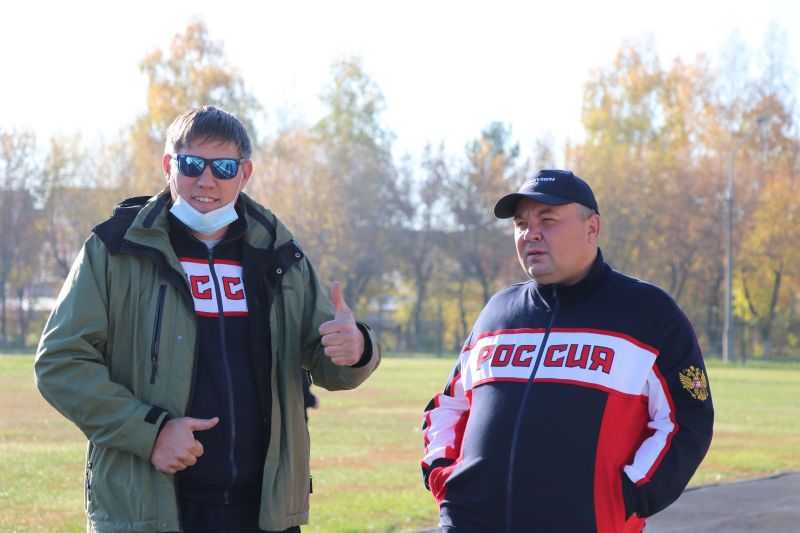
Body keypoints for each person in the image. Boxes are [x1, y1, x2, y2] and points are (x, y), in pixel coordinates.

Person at [35, 105, 381, 533]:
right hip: (151, 510)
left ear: (244, 174)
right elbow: (61, 363)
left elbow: (330, 363)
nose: (206, 180)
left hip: (264, 512)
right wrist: (150, 433)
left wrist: (357, 349)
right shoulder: (115, 249)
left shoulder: (278, 252)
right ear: (168, 166)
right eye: (192, 164)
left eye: (223, 167)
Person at [421, 169, 713, 533]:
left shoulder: (647, 313)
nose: (531, 234)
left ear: (592, 228)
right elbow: (448, 406)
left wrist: (630, 494)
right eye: (521, 224)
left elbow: (687, 420)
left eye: (548, 220)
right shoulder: (498, 312)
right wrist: (442, 474)